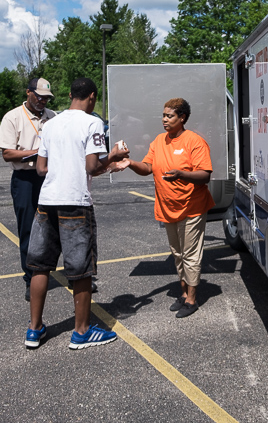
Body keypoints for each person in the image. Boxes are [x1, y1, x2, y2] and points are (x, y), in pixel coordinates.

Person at [24, 77, 129, 349]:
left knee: (40, 266)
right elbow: (92, 166)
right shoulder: (93, 122)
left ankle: (34, 330)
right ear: (92, 97)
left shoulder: (50, 123)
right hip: (75, 202)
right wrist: (114, 158)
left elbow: (41, 169)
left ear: (70, 94)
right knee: (81, 269)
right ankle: (81, 331)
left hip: (46, 201)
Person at [114, 98, 214, 318]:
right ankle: (184, 292)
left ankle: (192, 298)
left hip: (192, 207)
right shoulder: (159, 141)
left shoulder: (195, 141)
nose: (164, 120)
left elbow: (205, 174)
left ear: (182, 118)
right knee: (177, 253)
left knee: (190, 254)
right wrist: (130, 163)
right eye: (163, 115)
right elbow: (148, 167)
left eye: (170, 116)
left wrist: (182, 174)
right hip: (168, 207)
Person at [0, 77, 55, 302]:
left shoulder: (52, 117)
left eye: (46, 98)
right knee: (29, 230)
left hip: (49, 176)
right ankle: (31, 279)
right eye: (39, 96)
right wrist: (36, 153)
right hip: (26, 179)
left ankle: (71, 274)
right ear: (28, 92)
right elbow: (7, 154)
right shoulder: (13, 117)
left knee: (56, 226)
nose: (42, 101)